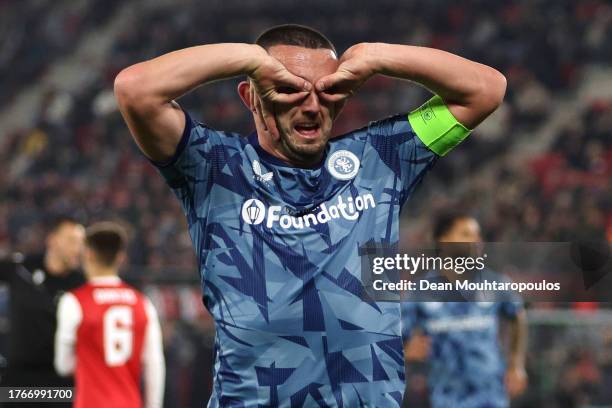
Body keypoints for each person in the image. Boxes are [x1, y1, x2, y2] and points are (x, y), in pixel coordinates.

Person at [114, 23, 506, 406]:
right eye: (288, 89)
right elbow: (136, 90)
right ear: (251, 96)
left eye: (329, 91)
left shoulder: (382, 159)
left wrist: (377, 56)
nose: (313, 106)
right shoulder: (213, 167)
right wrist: (247, 57)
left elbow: (486, 90)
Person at [402, 212, 528, 408]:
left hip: (491, 397)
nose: (476, 240)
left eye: (477, 235)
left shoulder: (495, 283)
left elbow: (517, 316)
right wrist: (406, 352)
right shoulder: (420, 291)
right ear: (443, 240)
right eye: (466, 234)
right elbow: (396, 338)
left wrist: (516, 365)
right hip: (444, 398)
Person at [54, 222, 165, 408]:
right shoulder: (142, 304)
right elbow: (154, 365)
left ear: (88, 253)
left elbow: (63, 365)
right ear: (121, 257)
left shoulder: (74, 302)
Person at [0, 217, 85, 403]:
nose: (78, 249)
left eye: (80, 243)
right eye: (72, 241)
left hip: (62, 386)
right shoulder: (22, 269)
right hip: (18, 384)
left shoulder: (82, 285)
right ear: (52, 240)